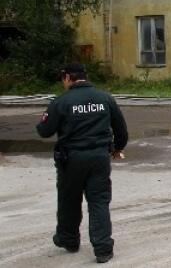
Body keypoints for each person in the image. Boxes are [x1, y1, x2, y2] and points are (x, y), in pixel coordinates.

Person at [36, 63, 128, 263]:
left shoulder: (61, 102)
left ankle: (69, 239)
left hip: (71, 160)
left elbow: (44, 131)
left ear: (68, 77)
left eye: (63, 79)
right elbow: (121, 130)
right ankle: (103, 249)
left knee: (69, 200)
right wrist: (117, 148)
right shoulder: (105, 98)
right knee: (99, 202)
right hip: (99, 158)